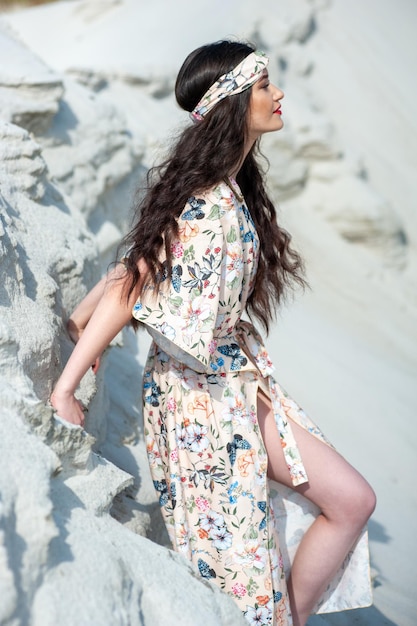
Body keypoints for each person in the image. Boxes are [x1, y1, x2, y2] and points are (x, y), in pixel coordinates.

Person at [51, 40, 376, 626]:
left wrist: (79, 316)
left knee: (352, 501)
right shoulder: (205, 201)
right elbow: (134, 284)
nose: (278, 95)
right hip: (199, 404)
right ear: (231, 102)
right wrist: (65, 389)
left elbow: (136, 263)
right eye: (262, 86)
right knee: (249, 580)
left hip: (236, 385)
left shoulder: (229, 186)